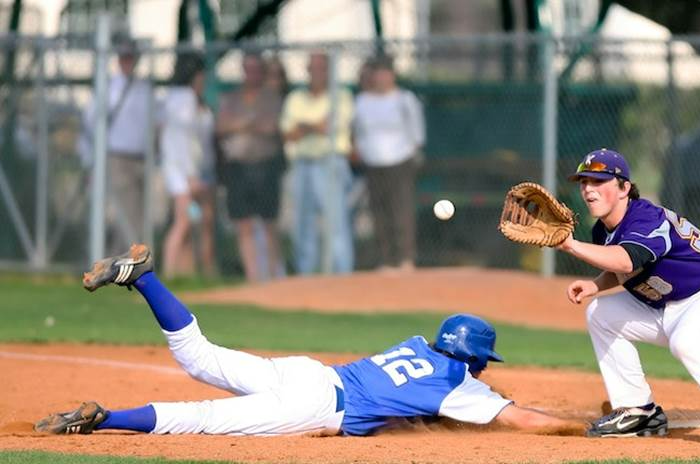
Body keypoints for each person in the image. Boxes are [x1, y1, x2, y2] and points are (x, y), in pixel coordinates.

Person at [34, 244, 580, 437]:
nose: (483, 372)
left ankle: (144, 277)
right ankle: (104, 419)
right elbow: (522, 419)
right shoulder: (458, 385)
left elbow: (413, 403)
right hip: (315, 405)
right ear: (473, 360)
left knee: (198, 356)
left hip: (309, 372)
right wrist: (582, 429)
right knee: (199, 417)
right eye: (482, 363)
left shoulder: (416, 344)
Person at [555, 148, 700, 447]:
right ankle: (638, 412)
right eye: (584, 182)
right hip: (670, 307)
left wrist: (570, 246)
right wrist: (596, 285)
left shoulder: (646, 218)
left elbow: (628, 259)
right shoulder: (602, 231)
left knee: (688, 342)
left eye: (598, 181)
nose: (589, 189)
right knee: (600, 313)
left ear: (624, 187)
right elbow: (625, 267)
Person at [281, 52, 354, 275]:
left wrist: (303, 127)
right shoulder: (295, 98)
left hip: (330, 162)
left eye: (321, 68)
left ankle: (342, 276)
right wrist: (313, 126)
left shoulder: (341, 95)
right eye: (312, 68)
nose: (316, 72)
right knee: (302, 224)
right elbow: (288, 134)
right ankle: (306, 277)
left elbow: (329, 128)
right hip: (302, 163)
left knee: (336, 223)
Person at [79, 36, 154, 252]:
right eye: (124, 57)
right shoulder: (109, 88)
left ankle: (127, 260)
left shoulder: (144, 88)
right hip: (117, 158)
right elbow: (90, 123)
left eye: (131, 57)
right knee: (126, 213)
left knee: (139, 214)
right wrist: (88, 158)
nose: (128, 62)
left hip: (142, 157)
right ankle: (123, 262)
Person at [352, 56, 425, 272]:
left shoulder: (405, 99)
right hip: (373, 162)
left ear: (392, 75)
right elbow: (357, 132)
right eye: (378, 73)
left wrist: (411, 154)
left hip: (400, 160)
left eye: (386, 73)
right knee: (379, 212)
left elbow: (416, 132)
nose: (381, 78)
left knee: (401, 210)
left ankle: (405, 258)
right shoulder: (362, 101)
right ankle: (386, 260)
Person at [215, 52, 283, 282]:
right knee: (243, 223)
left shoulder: (271, 97)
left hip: (265, 167)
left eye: (256, 69)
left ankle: (274, 276)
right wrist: (248, 123)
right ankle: (254, 278)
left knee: (268, 223)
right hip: (238, 168)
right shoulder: (231, 98)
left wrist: (239, 125)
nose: (252, 74)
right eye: (248, 69)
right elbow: (221, 126)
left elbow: (271, 127)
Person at [160, 53, 217, 278]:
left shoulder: (185, 99)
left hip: (190, 171)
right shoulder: (183, 100)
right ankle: (169, 272)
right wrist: (191, 176)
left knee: (195, 221)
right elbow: (183, 142)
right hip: (182, 173)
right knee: (183, 222)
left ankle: (187, 273)